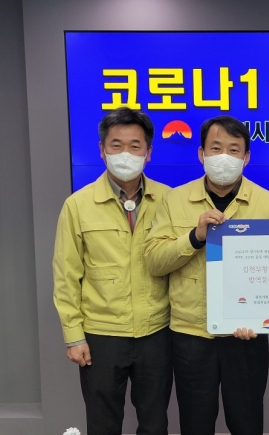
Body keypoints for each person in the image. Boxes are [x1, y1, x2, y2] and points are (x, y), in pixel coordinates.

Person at [143, 115, 269, 435]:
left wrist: (261, 317)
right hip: (192, 334)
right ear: (201, 154)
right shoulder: (174, 200)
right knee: (195, 424)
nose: (224, 157)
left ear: (246, 157)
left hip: (246, 336)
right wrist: (195, 237)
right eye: (216, 148)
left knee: (247, 423)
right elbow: (154, 261)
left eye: (234, 150)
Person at [52, 107, 172, 435]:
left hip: (156, 331)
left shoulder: (169, 200)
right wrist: (74, 336)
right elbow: (66, 276)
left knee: (155, 423)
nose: (125, 154)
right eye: (116, 145)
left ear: (148, 152)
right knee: (103, 423)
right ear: (102, 150)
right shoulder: (78, 205)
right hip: (101, 334)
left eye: (135, 146)